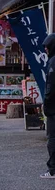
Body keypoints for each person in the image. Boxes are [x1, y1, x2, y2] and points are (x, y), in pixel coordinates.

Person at [41, 34, 55, 178]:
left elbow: (50, 87)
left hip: (53, 107)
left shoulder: (53, 62)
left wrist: (47, 105)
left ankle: (53, 169)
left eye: (47, 46)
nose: (45, 49)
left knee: (53, 138)